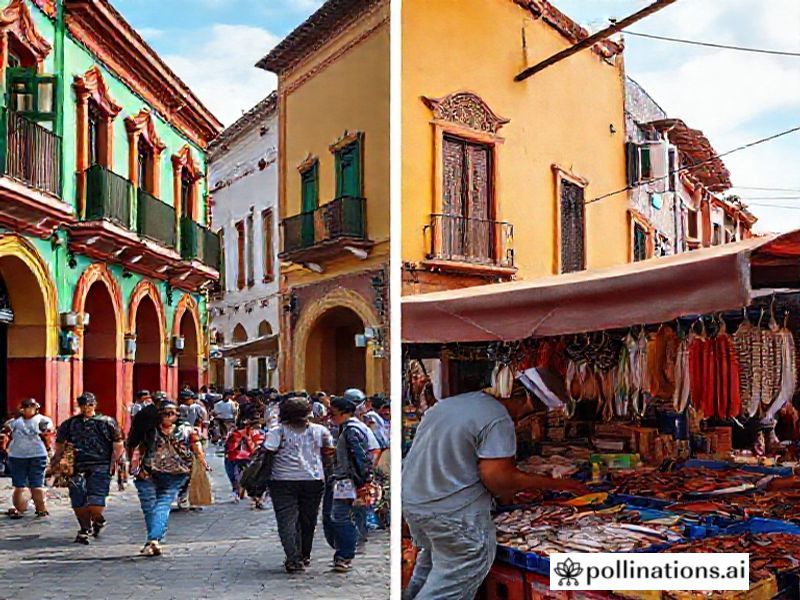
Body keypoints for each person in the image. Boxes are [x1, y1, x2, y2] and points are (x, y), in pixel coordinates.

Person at [401, 372, 586, 600]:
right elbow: (498, 479)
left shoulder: (453, 404)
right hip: (452, 513)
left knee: (430, 568)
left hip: (417, 504)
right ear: (527, 405)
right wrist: (557, 484)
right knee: (452, 582)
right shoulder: (498, 418)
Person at [130, 398, 209, 556]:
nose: (170, 416)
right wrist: (202, 462)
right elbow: (196, 447)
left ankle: (153, 539)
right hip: (168, 471)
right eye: (167, 413)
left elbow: (136, 448)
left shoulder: (149, 429)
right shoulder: (182, 429)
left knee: (154, 506)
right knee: (160, 505)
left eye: (172, 413)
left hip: (155, 471)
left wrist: (202, 460)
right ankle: (154, 539)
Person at [265, 397, 334, 573]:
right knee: (308, 520)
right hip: (313, 480)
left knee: (286, 520)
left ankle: (293, 558)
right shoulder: (321, 431)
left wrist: (262, 478)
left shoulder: (277, 431)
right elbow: (328, 455)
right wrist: (329, 474)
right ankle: (304, 554)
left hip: (282, 480)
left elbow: (268, 455)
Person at [52, 393, 124, 545]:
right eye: (83, 405)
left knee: (96, 498)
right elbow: (60, 442)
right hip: (77, 465)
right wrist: (58, 459)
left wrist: (115, 462)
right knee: (77, 497)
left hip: (101, 463)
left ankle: (97, 519)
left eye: (90, 404)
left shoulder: (107, 422)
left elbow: (117, 443)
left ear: (95, 405)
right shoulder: (70, 423)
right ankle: (85, 528)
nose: (86, 408)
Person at [324, 396, 373, 573]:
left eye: (334, 414)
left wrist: (362, 479)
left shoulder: (351, 430)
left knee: (340, 517)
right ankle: (344, 553)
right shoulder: (350, 428)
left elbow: (359, 456)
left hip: (348, 480)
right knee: (341, 516)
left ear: (344, 413)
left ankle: (345, 554)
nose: (331, 417)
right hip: (348, 479)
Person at [2, 398, 53, 518]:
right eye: (27, 407)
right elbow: (6, 430)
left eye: (31, 407)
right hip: (18, 455)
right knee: (21, 485)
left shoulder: (42, 420)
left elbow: (47, 430)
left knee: (36, 484)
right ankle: (22, 509)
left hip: (36, 454)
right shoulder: (14, 422)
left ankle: (40, 509)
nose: (29, 410)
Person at [224, 418, 263, 504]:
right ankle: (246, 495)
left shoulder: (237, 434)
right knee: (244, 477)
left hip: (236, 458)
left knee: (236, 477)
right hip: (245, 458)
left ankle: (238, 494)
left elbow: (231, 448)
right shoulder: (256, 433)